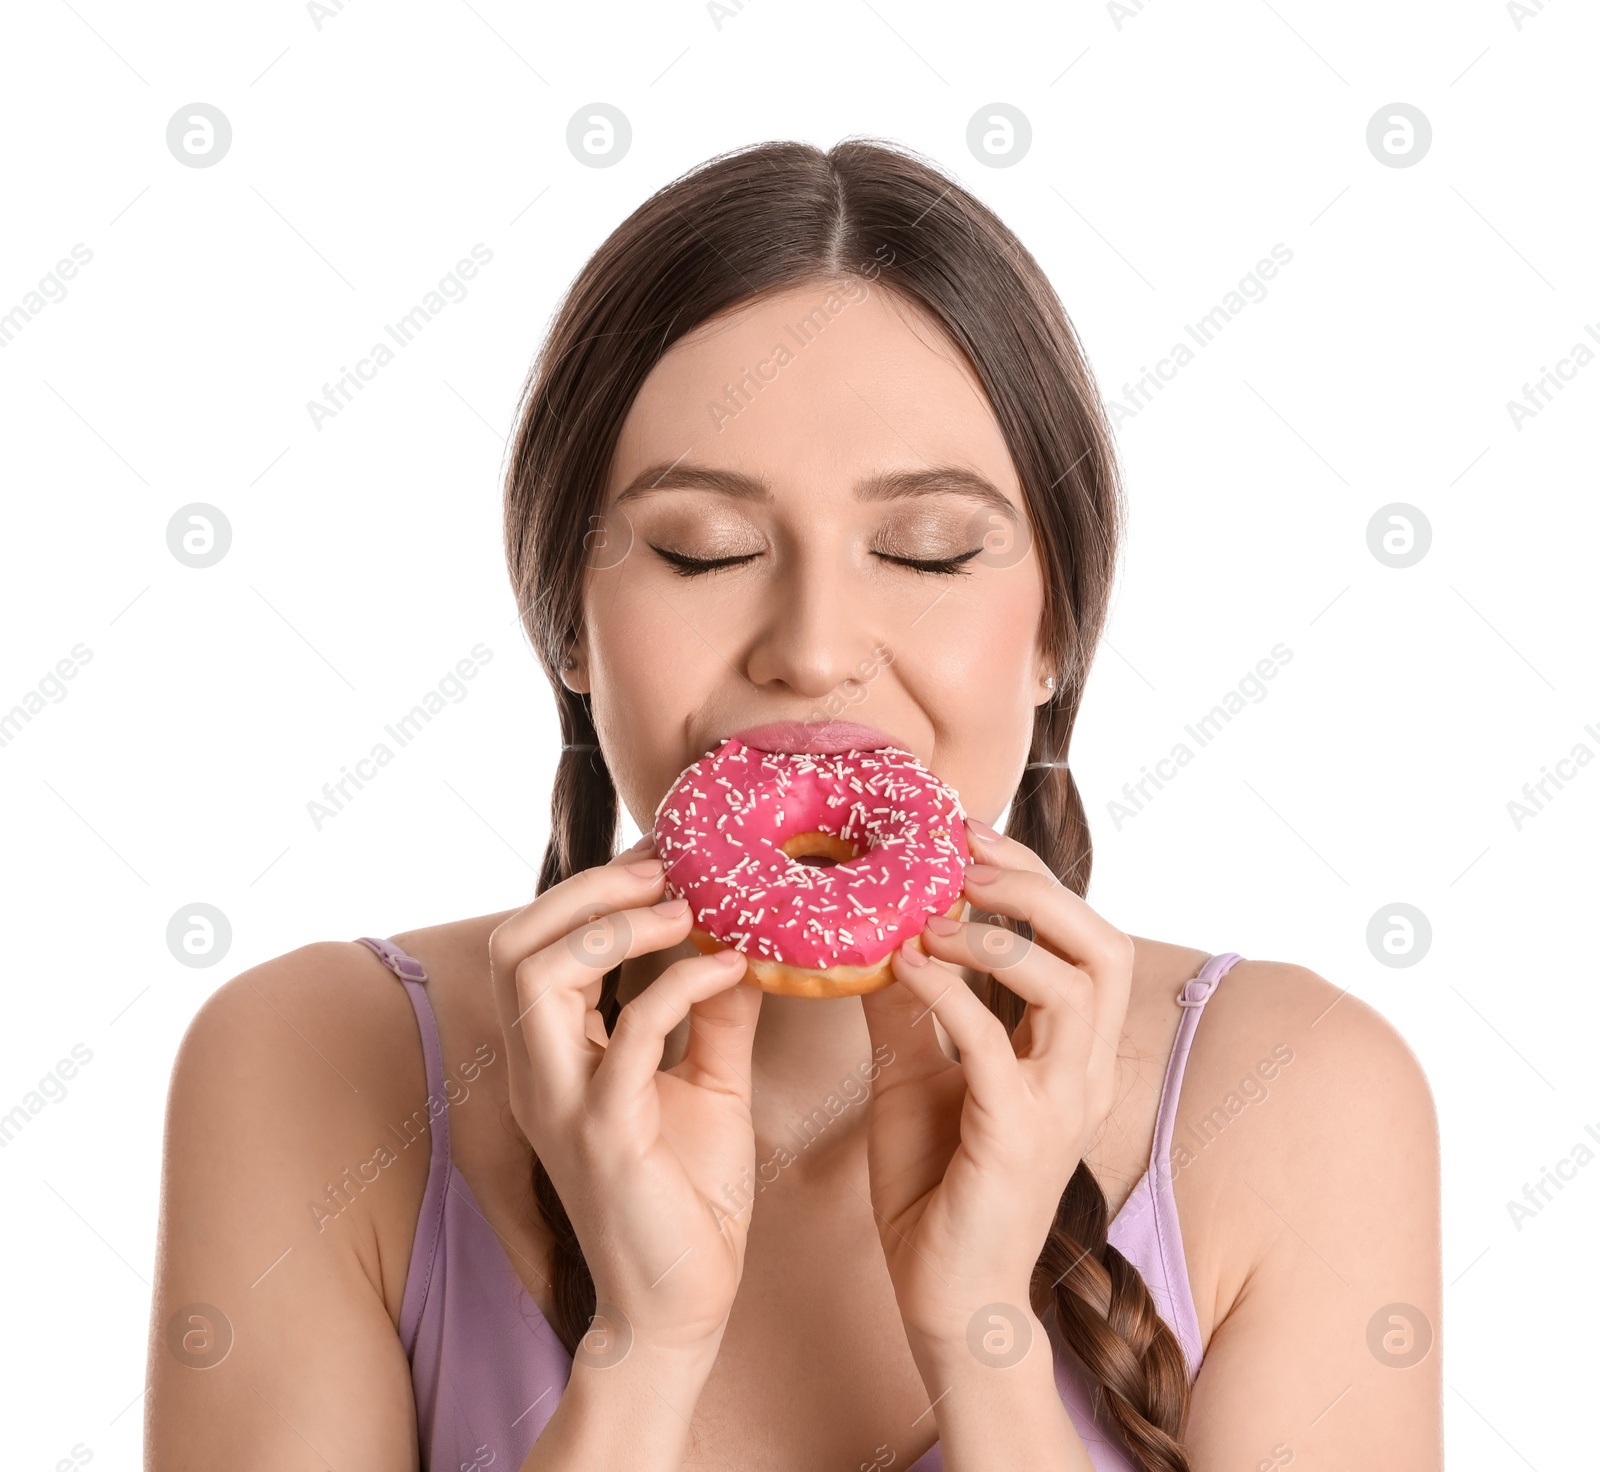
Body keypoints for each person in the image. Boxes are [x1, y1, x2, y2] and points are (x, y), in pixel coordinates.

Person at [146, 139, 1442, 1471]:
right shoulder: (313, 1063)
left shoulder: (1301, 1100)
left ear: (1054, 630)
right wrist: (638, 1357)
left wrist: (989, 1333)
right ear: (570, 628)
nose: (815, 649)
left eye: (926, 550)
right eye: (704, 550)